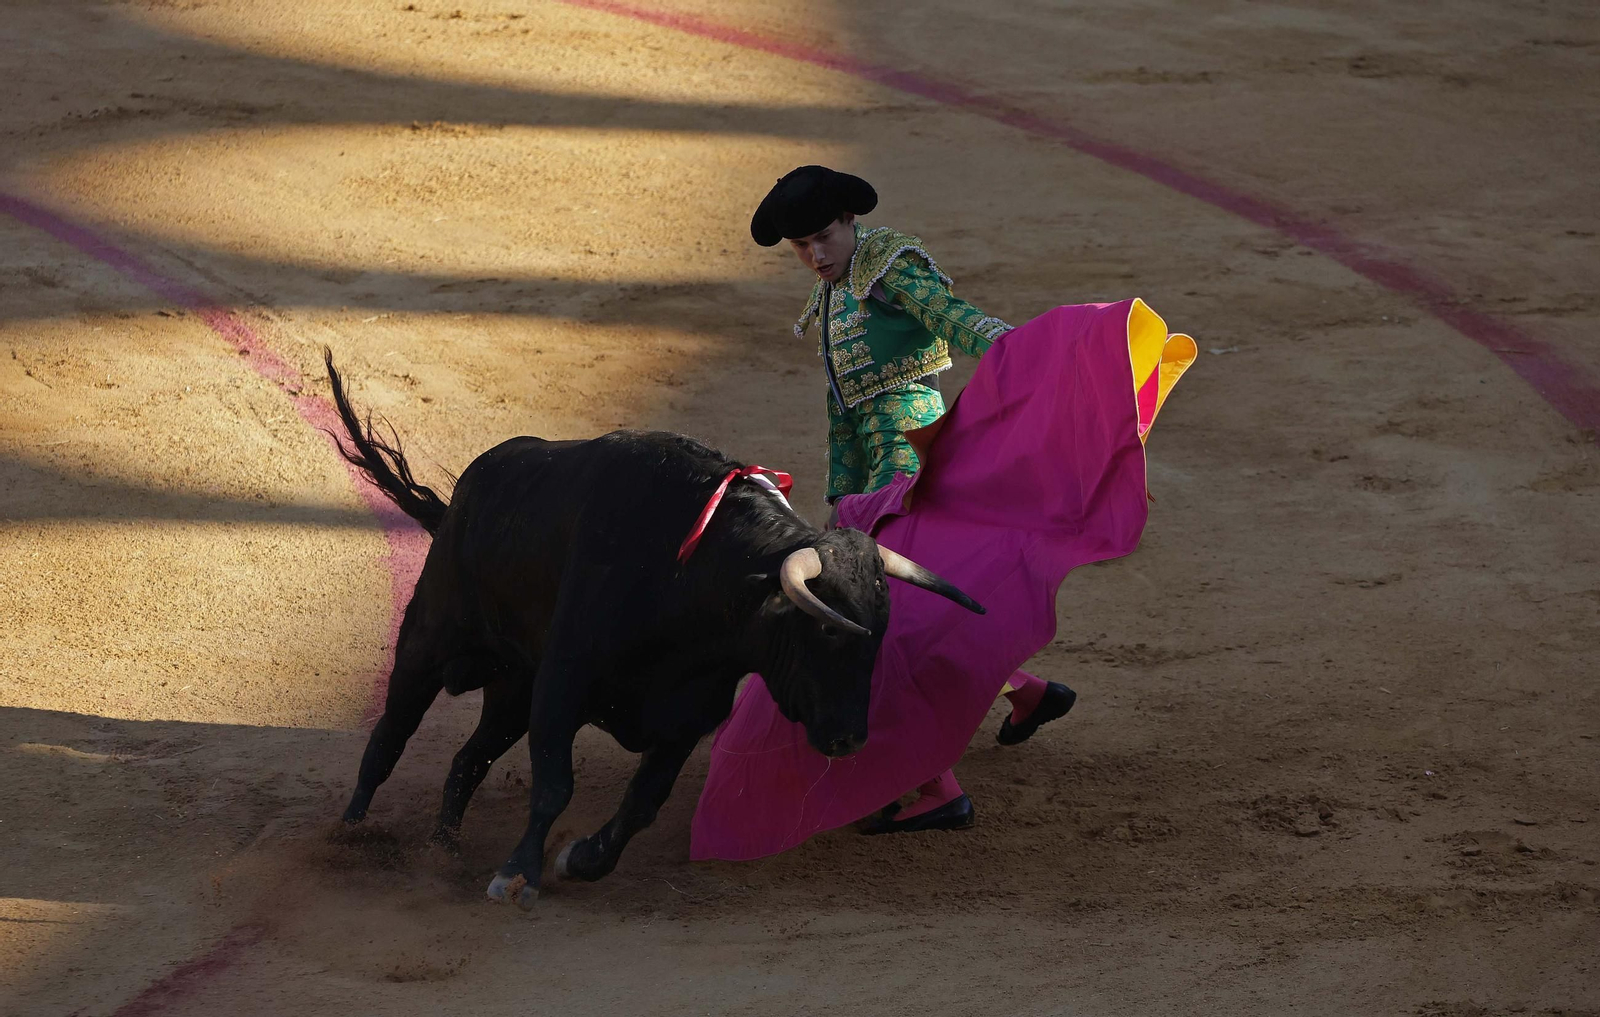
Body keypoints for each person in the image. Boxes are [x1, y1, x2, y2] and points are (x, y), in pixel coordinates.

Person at [748, 165, 1077, 834]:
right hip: (872, 472)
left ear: (848, 220)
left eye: (822, 237)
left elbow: (959, 322)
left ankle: (939, 788)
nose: (814, 255)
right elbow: (843, 410)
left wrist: (1039, 356)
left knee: (885, 622)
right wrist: (844, 502)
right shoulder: (837, 287)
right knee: (909, 609)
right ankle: (1029, 692)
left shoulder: (888, 266)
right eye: (800, 246)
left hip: (909, 460)